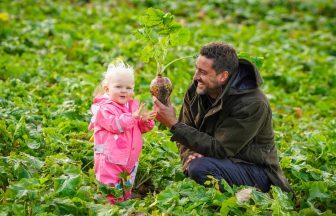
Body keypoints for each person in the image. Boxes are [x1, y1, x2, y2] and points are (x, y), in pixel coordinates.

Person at [153, 42, 292, 193]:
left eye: (203, 72)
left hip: (256, 170)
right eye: (196, 69)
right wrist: (189, 156)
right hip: (220, 160)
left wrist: (173, 124)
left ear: (223, 76)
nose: (196, 77)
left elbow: (220, 148)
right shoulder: (197, 89)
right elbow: (187, 132)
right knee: (196, 166)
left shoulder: (252, 103)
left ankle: (249, 197)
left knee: (200, 168)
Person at [88, 61, 156, 204]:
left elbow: (137, 128)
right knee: (110, 187)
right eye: (118, 87)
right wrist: (133, 117)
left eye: (128, 87)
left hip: (130, 157)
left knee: (126, 185)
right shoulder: (103, 109)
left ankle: (124, 204)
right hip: (108, 157)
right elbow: (115, 124)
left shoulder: (132, 106)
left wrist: (144, 121)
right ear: (107, 89)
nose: (124, 91)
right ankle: (110, 208)